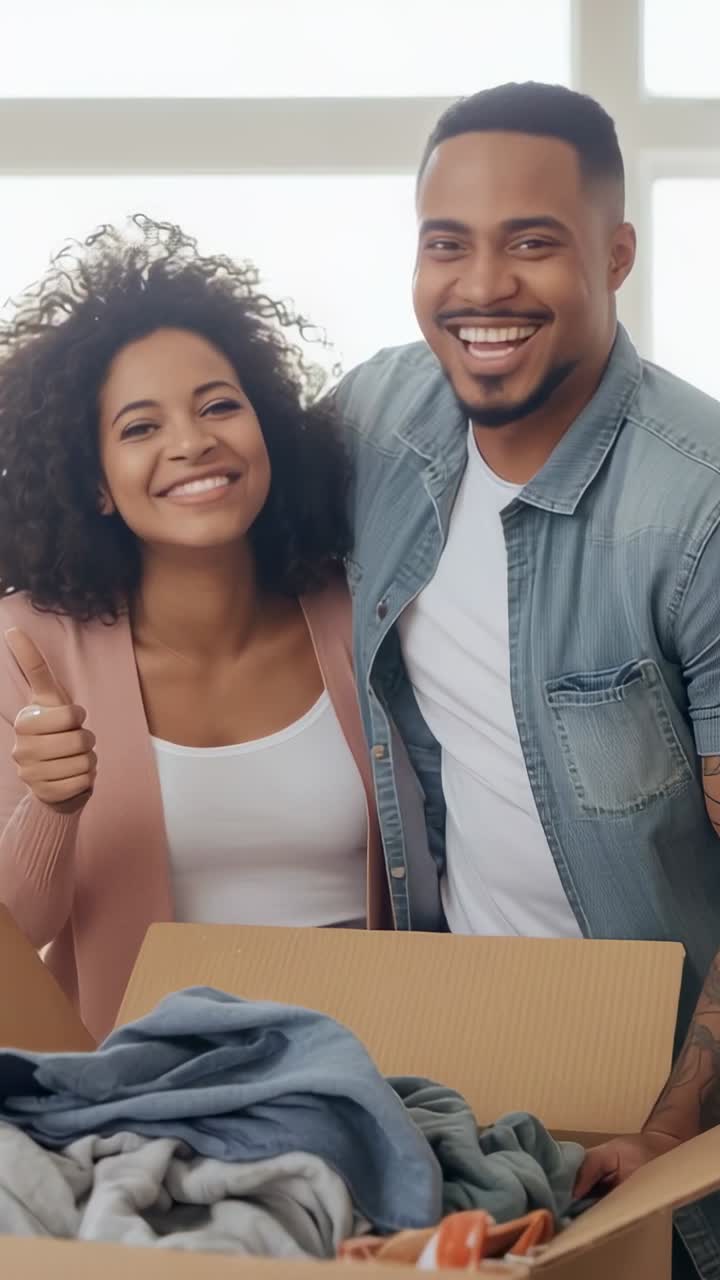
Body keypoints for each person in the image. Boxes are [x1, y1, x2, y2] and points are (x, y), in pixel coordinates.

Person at [332, 83, 720, 1275]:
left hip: (659, 1115)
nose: (482, 286)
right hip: (472, 1104)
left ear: (615, 253)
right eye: (448, 243)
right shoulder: (380, 419)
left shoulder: (697, 509)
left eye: (532, 242)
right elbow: (176, 511)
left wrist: (674, 1115)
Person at [0, 217, 391, 1044]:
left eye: (219, 406)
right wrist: (52, 804)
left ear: (269, 435)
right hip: (145, 1092)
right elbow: (16, 928)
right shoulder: (26, 647)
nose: (192, 443)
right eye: (140, 428)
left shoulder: (362, 612)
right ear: (96, 484)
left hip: (378, 1066)